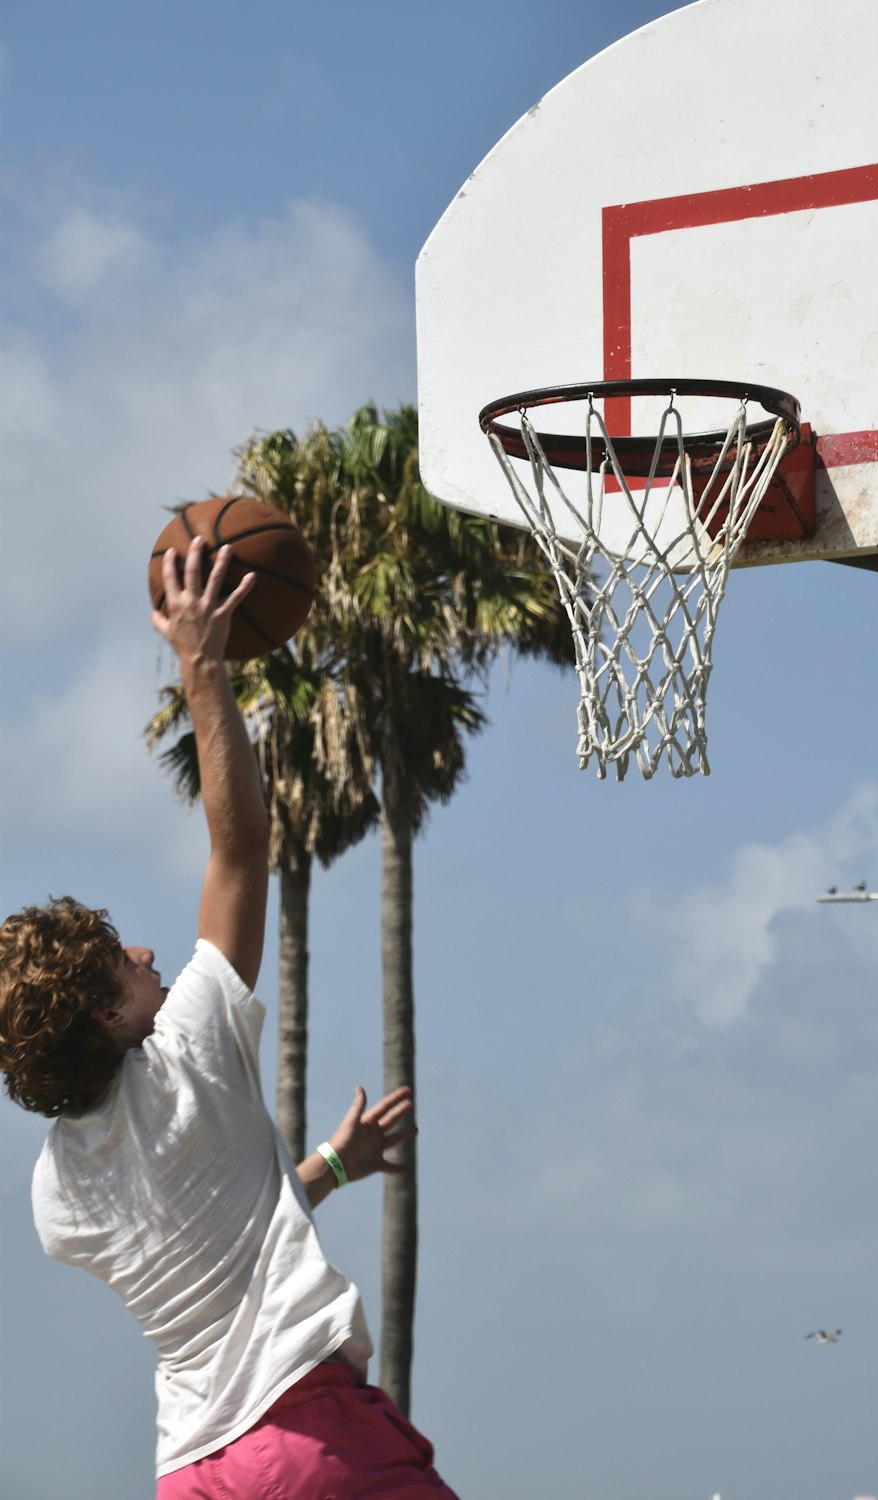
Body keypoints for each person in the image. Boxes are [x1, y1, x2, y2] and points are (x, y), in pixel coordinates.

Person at [0, 538, 460, 1499]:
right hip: (312, 1436)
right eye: (119, 960)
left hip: (196, 1476)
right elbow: (241, 853)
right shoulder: (187, 1054)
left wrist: (331, 1167)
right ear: (98, 1012)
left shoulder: (55, 1198)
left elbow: (223, 1234)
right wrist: (201, 665)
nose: (147, 956)